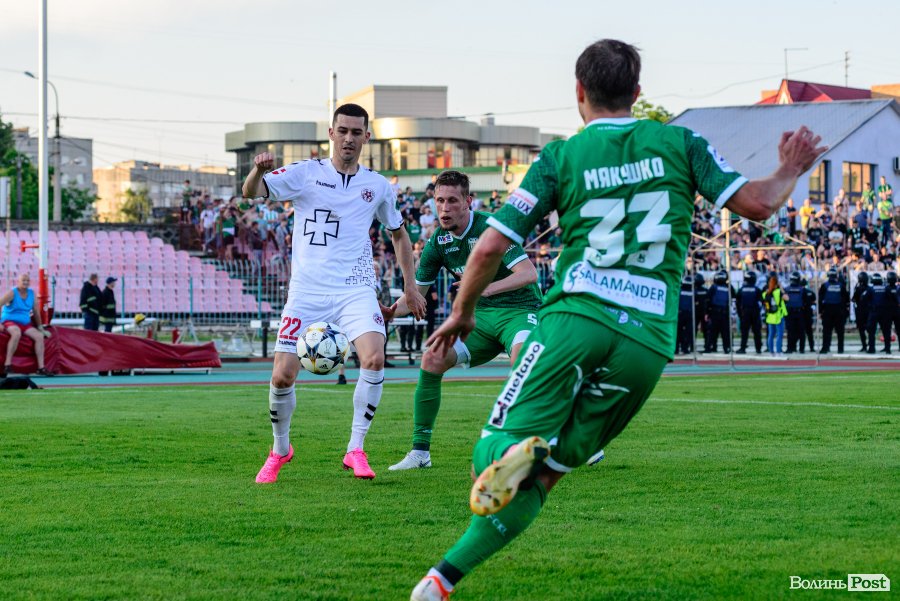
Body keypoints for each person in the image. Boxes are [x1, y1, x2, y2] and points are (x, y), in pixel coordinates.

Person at [409, 39, 826, 600]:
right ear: (637, 92)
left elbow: (488, 248)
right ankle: (441, 580)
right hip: (647, 341)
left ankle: (506, 454)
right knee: (547, 474)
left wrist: (462, 312)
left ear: (579, 92)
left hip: (576, 320)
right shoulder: (681, 142)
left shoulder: (561, 157)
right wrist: (790, 166)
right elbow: (759, 204)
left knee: (499, 446)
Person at [242, 103, 425, 483]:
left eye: (356, 132)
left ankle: (355, 448)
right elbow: (251, 192)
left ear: (366, 137)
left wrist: (410, 286)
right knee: (282, 376)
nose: (348, 138)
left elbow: (399, 234)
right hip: (306, 291)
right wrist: (258, 170)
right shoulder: (306, 173)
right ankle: (280, 449)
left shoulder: (377, 186)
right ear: (331, 133)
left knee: (374, 358)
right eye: (342, 131)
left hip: (355, 289)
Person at [384, 170, 542, 471]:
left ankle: (555, 437)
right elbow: (417, 295)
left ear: (468, 201)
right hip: (479, 320)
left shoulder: (492, 229)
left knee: (524, 363)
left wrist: (484, 287)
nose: (444, 208)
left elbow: (528, 274)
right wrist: (392, 311)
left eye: (452, 201)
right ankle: (420, 452)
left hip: (520, 312)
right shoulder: (438, 242)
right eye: (439, 201)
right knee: (432, 358)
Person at [0, 273, 53, 377]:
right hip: (9, 321)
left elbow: (36, 311)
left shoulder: (32, 293)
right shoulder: (12, 293)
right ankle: (7, 364)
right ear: (18, 282)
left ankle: (41, 368)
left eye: (27, 280)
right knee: (16, 333)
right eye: (23, 280)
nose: (25, 282)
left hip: (25, 323)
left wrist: (40, 327)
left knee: (39, 336)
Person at [818, 268, 849, 354]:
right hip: (839, 310)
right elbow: (846, 299)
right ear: (836, 276)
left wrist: (820, 311)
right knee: (840, 331)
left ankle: (825, 348)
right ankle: (840, 349)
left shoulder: (824, 286)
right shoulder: (841, 286)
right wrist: (845, 311)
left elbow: (820, 299)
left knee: (826, 331)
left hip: (827, 310)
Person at [863, 273, 894, 354]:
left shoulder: (871, 289)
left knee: (871, 331)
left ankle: (871, 348)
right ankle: (888, 349)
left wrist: (869, 306)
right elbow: (891, 299)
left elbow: (864, 298)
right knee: (886, 331)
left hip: (874, 311)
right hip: (885, 312)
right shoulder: (886, 288)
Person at [735, 271, 762, 354]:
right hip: (755, 312)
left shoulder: (741, 290)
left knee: (744, 332)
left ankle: (743, 348)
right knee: (757, 331)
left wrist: (740, 314)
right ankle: (758, 348)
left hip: (745, 312)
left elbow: (737, 303)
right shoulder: (757, 290)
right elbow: (761, 302)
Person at [704, 270, 731, 353]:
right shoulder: (728, 288)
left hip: (714, 312)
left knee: (712, 331)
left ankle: (709, 347)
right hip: (724, 312)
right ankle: (726, 348)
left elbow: (707, 299)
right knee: (725, 332)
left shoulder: (714, 287)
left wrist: (707, 312)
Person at [762, 274, 788, 356]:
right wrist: (781, 288)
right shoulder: (778, 292)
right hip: (778, 316)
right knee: (779, 334)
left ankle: (771, 352)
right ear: (777, 284)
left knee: (771, 335)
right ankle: (778, 351)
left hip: (770, 316)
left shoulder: (765, 293)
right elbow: (787, 298)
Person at [783, 272, 805, 353]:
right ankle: (801, 349)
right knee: (801, 332)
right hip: (799, 312)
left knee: (790, 331)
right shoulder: (802, 289)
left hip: (790, 312)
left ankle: (790, 348)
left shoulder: (786, 289)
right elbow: (805, 301)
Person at [852, 272, 871, 351]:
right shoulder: (869, 288)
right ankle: (870, 344)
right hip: (868, 311)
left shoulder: (858, 288)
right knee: (869, 329)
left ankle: (864, 345)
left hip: (860, 311)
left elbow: (853, 299)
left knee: (861, 329)